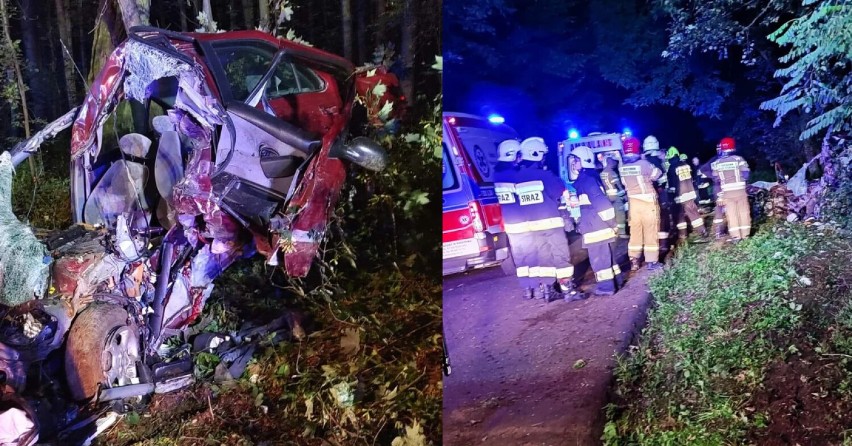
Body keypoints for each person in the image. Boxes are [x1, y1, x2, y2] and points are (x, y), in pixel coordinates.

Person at [493, 138, 583, 301]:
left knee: (544, 257)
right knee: (560, 255)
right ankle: (568, 290)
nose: (544, 159)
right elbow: (558, 192)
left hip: (532, 226)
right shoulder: (544, 175)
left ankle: (547, 290)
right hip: (550, 223)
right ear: (537, 155)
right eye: (543, 156)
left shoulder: (516, 177)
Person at [566, 146, 622, 295]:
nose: (574, 163)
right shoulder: (588, 178)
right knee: (607, 258)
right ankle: (617, 281)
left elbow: (602, 204)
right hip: (596, 225)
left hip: (596, 227)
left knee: (599, 260)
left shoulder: (587, 180)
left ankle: (606, 288)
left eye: (576, 160)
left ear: (585, 161)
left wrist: (613, 224)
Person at [619, 137, 664, 271]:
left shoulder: (622, 167)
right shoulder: (643, 164)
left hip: (633, 203)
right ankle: (652, 261)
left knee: (635, 232)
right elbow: (658, 174)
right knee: (650, 230)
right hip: (648, 203)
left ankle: (634, 260)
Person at [711, 137, 751, 242]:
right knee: (743, 212)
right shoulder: (739, 159)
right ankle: (745, 235)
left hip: (727, 193)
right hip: (740, 191)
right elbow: (746, 174)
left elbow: (716, 178)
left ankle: (736, 236)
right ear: (733, 147)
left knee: (731, 214)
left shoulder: (717, 163)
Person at [666, 146, 709, 242]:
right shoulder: (685, 164)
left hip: (681, 195)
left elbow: (673, 184)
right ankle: (699, 231)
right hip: (690, 192)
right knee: (692, 212)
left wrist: (672, 195)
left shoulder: (672, 167)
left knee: (683, 214)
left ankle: (687, 234)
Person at [642, 135, 672, 261]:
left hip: (646, 197)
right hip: (659, 194)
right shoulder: (657, 161)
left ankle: (654, 246)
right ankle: (663, 245)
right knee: (663, 218)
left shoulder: (642, 162)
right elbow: (662, 178)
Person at [700, 144, 727, 240]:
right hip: (719, 186)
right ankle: (719, 231)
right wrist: (712, 176)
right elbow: (703, 169)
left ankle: (719, 232)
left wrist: (712, 176)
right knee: (720, 207)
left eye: (721, 149)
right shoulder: (715, 159)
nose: (720, 151)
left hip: (721, 186)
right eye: (718, 149)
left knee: (721, 207)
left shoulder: (717, 159)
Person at [599, 153, 628, 238]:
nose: (615, 164)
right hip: (616, 196)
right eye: (613, 162)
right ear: (609, 162)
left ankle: (614, 232)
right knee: (620, 214)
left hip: (608, 197)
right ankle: (622, 233)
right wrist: (624, 195)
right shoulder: (612, 173)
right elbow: (617, 185)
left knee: (612, 215)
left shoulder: (602, 173)